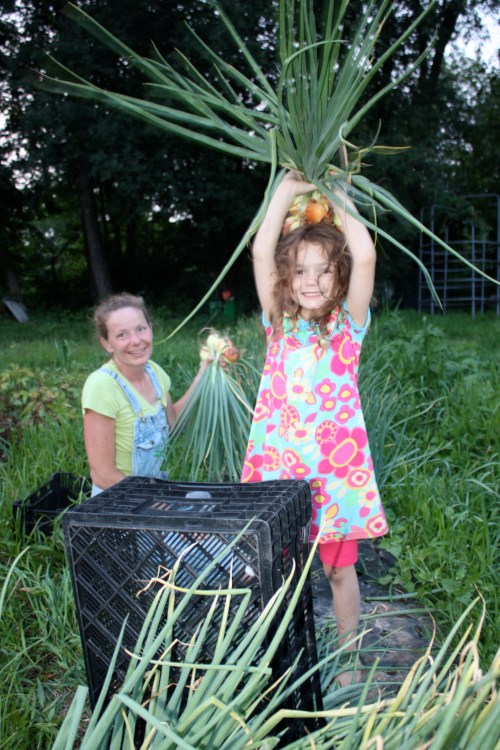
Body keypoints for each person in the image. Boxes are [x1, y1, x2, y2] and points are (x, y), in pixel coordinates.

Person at [241, 170, 388, 685]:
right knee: (280, 574)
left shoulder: (348, 325)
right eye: (300, 271)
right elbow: (261, 254)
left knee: (337, 569)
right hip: (282, 475)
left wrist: (337, 192)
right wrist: (286, 192)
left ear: (340, 278)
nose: (310, 282)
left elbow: (365, 255)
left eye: (323, 271)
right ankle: (282, 663)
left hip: (335, 480)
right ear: (287, 278)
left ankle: (348, 663)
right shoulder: (279, 322)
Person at [82, 292, 207, 497]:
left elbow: (173, 424)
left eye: (141, 329)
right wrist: (155, 500)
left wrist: (205, 373)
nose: (136, 341)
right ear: (106, 343)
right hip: (116, 502)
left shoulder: (154, 372)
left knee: (202, 501)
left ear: (150, 328)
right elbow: (103, 475)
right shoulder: (102, 386)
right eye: (122, 334)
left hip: (151, 493)